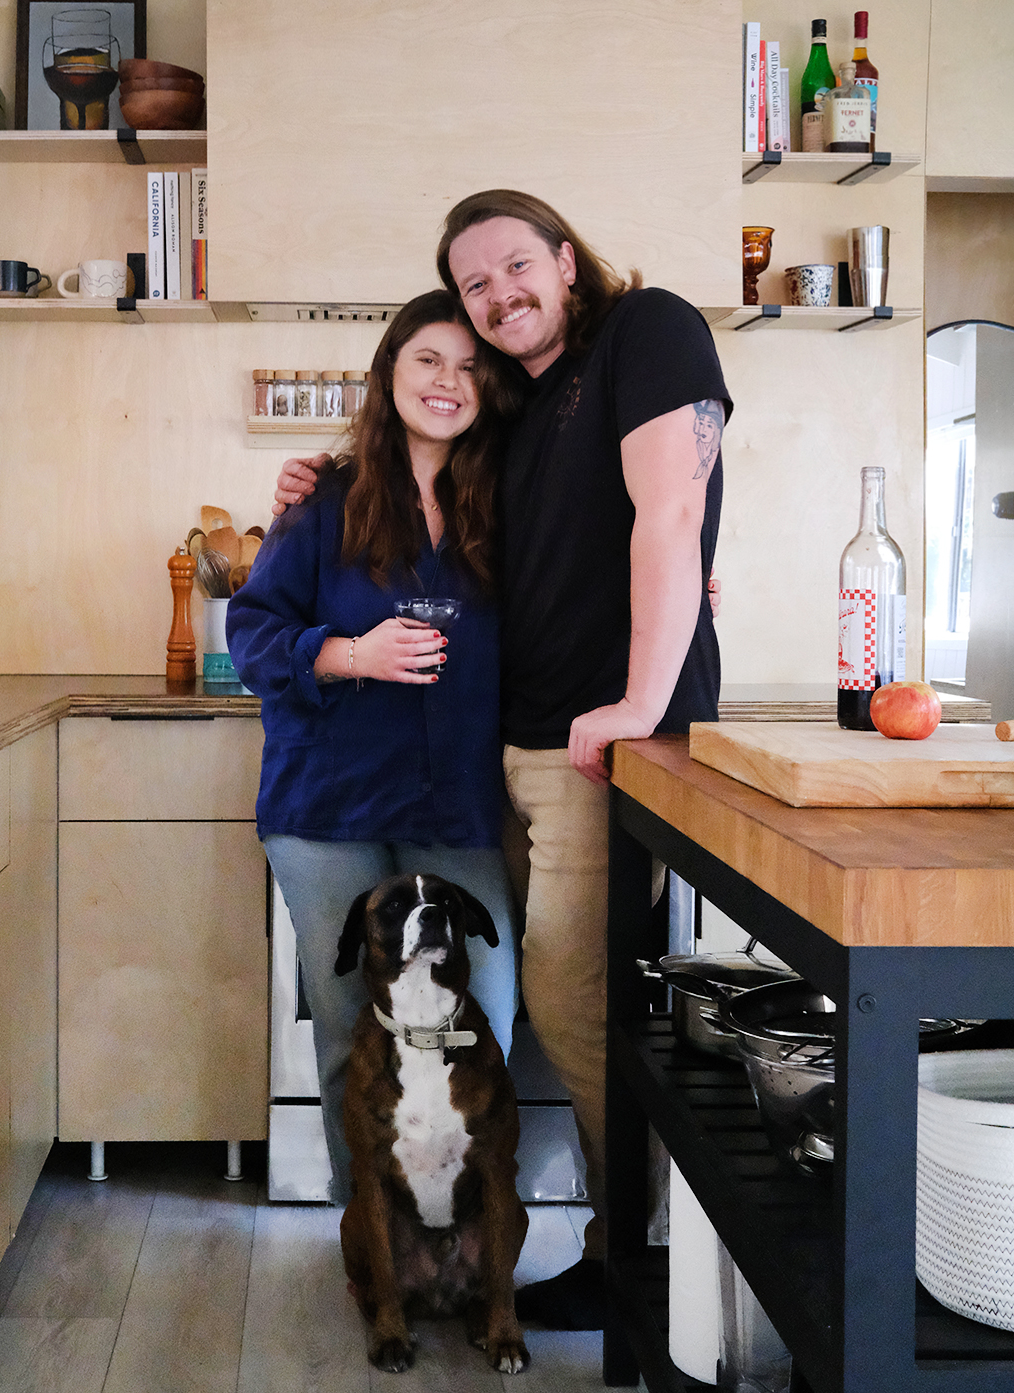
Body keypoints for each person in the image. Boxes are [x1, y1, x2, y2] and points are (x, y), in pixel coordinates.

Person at [275, 191, 733, 1328]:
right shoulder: (514, 419)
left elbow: (671, 512)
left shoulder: (652, 328)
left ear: (566, 260)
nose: (498, 298)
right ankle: (449, 1246)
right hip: (513, 756)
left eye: (514, 267)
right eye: (473, 289)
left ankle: (652, 1256)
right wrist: (312, 497)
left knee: (566, 996)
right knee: (533, 1000)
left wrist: (645, 687)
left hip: (594, 744)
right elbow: (566, 546)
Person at [228, 289, 522, 1204]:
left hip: (459, 807)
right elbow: (252, 632)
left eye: (471, 366)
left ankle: (470, 1237)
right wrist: (351, 654)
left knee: (487, 1018)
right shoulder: (325, 501)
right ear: (390, 370)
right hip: (328, 810)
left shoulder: (513, 504)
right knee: (351, 1028)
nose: (448, 381)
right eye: (428, 359)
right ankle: (374, 1241)